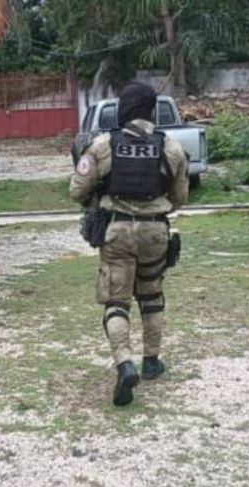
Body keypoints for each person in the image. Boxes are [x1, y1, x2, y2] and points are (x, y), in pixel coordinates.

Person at [69, 81, 189, 407]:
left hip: (117, 232)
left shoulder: (102, 146)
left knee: (116, 302)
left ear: (123, 109)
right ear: (152, 111)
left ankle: (125, 364)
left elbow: (77, 191)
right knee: (151, 296)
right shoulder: (172, 148)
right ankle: (151, 361)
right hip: (155, 232)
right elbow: (180, 198)